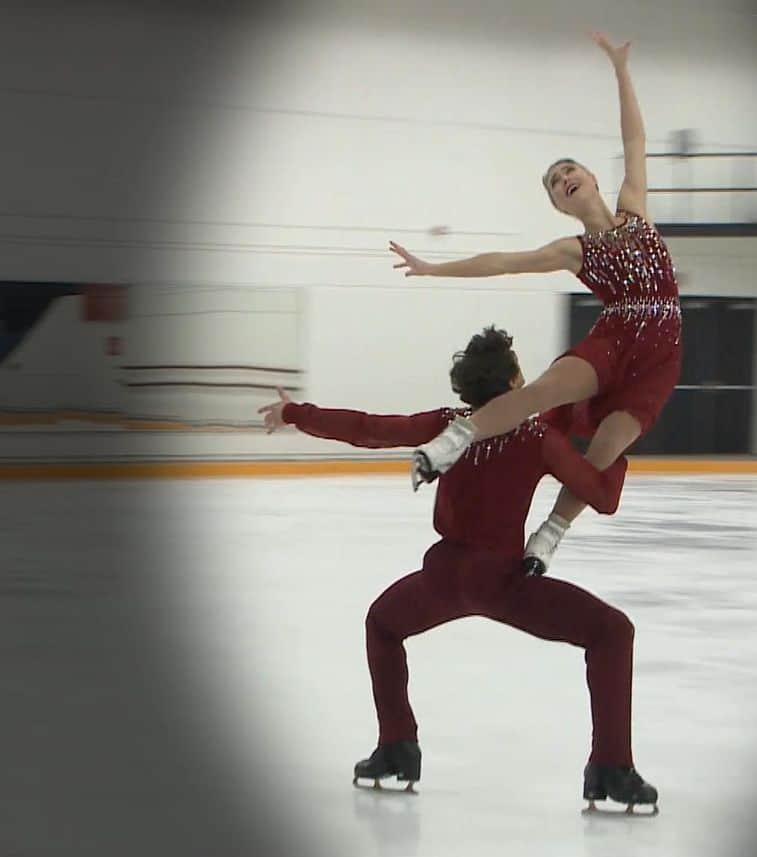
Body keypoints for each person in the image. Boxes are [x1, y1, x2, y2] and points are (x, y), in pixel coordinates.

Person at [258, 326, 659, 813]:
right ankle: (611, 768)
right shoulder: (538, 439)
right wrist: (615, 441)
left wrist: (295, 413)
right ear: (515, 382)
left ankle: (397, 749)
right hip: (506, 584)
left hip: (445, 579)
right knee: (612, 633)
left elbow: (368, 428)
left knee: (383, 624)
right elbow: (601, 498)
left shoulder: (450, 426)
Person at [389, 32, 681, 577]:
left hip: (661, 354)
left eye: (568, 171)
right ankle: (453, 442)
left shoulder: (635, 208)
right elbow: (502, 262)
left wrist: (620, 69)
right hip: (617, 337)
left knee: (604, 453)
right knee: (544, 390)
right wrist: (433, 268)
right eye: (553, 184)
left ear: (593, 177)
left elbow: (636, 139)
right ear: (557, 205)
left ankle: (549, 534)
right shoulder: (572, 251)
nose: (563, 179)